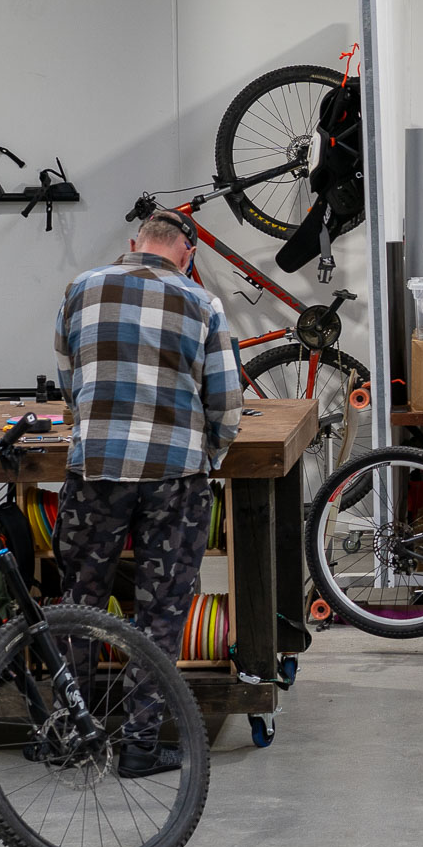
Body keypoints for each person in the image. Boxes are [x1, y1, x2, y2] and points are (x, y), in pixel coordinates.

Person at [53, 207, 242, 776]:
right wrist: (207, 455)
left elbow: (69, 381)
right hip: (174, 477)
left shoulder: (80, 289)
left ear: (134, 242)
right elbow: (226, 404)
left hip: (96, 471)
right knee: (160, 612)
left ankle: (70, 735)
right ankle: (139, 745)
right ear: (185, 253)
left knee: (78, 604)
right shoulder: (202, 302)